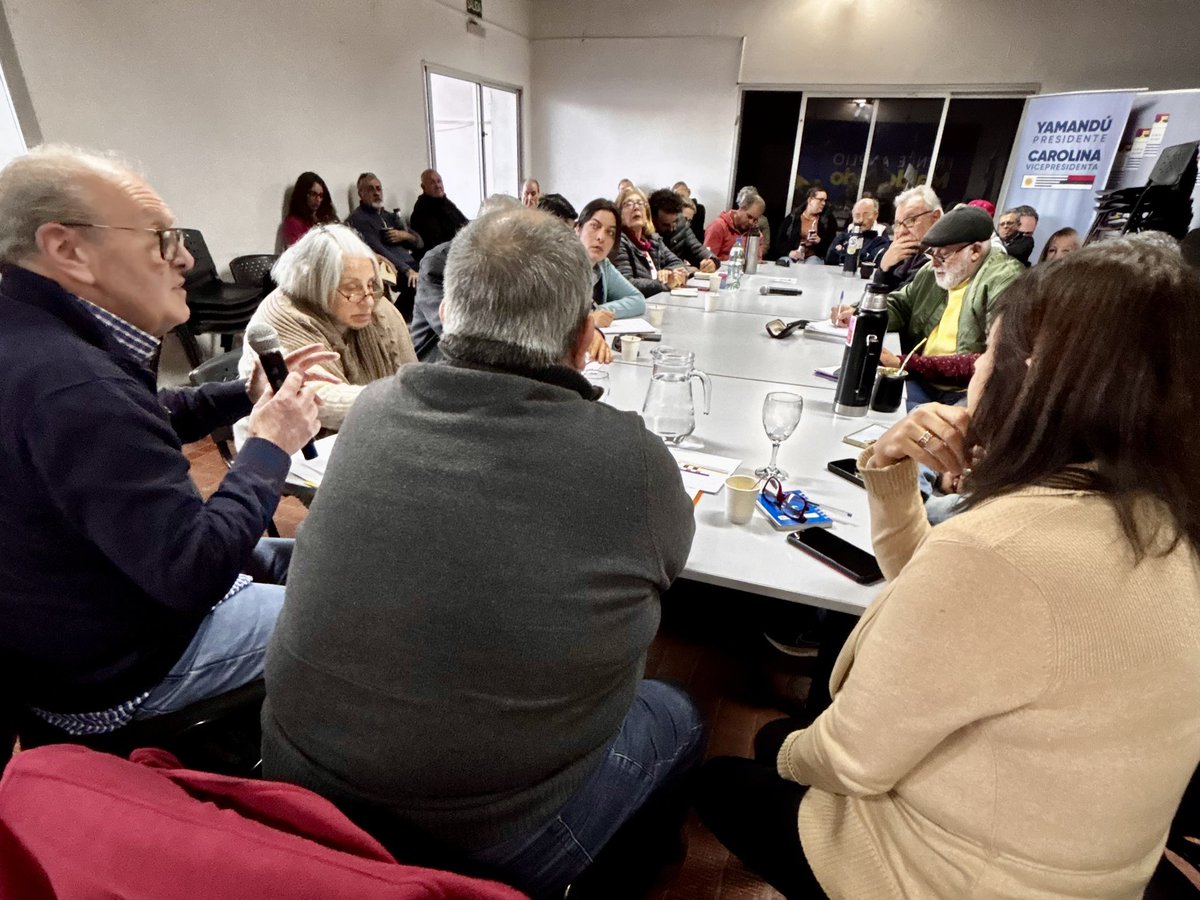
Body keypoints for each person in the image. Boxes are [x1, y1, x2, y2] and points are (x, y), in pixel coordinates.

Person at [696, 233, 1200, 900]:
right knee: (784, 743)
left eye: (990, 351)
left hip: (956, 877)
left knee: (729, 772)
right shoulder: (1161, 514)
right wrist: (890, 471)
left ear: (1035, 376)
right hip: (1089, 865)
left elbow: (852, 758)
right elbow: (942, 605)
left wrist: (794, 756)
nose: (979, 367)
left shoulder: (1008, 545)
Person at [261, 207, 705, 900]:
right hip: (478, 838)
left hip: (296, 789)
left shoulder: (372, 411)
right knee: (678, 708)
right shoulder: (632, 458)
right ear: (584, 340)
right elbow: (670, 572)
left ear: (447, 316)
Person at [0, 145, 335, 731]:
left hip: (109, 605)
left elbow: (137, 417)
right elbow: (195, 570)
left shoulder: (37, 339)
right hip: (124, 664)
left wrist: (245, 394)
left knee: (331, 559)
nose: (185, 258)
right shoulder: (72, 385)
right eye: (161, 239)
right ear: (68, 250)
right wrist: (270, 446)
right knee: (365, 617)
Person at [832, 206, 1024, 409]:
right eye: (931, 253)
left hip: (967, 393)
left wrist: (905, 363)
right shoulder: (932, 272)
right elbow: (900, 304)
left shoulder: (1006, 280)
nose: (933, 263)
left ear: (975, 251)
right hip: (921, 380)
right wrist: (860, 312)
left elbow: (996, 360)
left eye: (943, 255)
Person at [238, 224, 417, 434]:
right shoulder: (280, 318)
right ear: (316, 285)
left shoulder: (378, 307)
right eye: (352, 289)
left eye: (370, 284)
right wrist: (408, 402)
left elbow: (411, 374)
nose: (369, 301)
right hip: (287, 440)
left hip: (377, 425)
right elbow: (317, 401)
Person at [409, 194, 532, 364]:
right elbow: (460, 330)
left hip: (496, 354)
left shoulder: (518, 260)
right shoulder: (438, 263)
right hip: (441, 358)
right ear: (479, 230)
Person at [344, 172, 423, 320]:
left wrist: (405, 235)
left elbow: (419, 243)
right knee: (419, 284)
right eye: (370, 189)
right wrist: (407, 270)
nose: (376, 192)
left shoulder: (389, 216)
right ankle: (396, 319)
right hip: (392, 268)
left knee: (437, 278)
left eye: (378, 188)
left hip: (410, 262)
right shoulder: (359, 218)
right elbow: (378, 248)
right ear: (361, 194)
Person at [577, 197, 646, 324]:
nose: (601, 237)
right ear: (578, 229)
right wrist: (587, 318)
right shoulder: (559, 264)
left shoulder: (603, 266)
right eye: (595, 226)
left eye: (610, 232)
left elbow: (638, 300)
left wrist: (599, 311)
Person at [612, 185, 690, 297]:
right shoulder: (619, 242)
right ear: (619, 215)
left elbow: (677, 263)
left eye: (640, 203)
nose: (636, 207)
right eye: (628, 204)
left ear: (647, 213)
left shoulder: (653, 239)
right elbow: (626, 283)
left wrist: (668, 272)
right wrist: (663, 283)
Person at [875, 184, 942, 288]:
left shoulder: (940, 259)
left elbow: (901, 297)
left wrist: (884, 270)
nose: (901, 231)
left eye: (910, 220)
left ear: (935, 218)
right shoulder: (910, 254)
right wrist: (885, 267)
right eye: (898, 224)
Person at [648, 188, 717, 273]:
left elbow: (697, 249)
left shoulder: (681, 224)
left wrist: (711, 261)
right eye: (665, 225)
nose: (672, 228)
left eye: (674, 222)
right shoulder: (645, 234)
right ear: (653, 219)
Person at [409, 168, 468, 251]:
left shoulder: (445, 202)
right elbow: (437, 241)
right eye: (432, 183)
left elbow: (464, 222)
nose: (437, 186)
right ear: (423, 187)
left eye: (439, 181)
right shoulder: (422, 210)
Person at [825, 197, 891, 269]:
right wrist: (862, 255)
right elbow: (829, 259)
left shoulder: (881, 236)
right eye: (857, 215)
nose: (861, 220)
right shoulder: (848, 231)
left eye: (866, 215)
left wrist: (842, 252)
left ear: (875, 215)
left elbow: (872, 263)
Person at [703, 190, 766, 261]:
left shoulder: (756, 235)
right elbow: (707, 260)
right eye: (749, 217)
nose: (751, 222)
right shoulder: (718, 227)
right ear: (741, 208)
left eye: (755, 220)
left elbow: (757, 261)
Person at [778, 187, 836, 265]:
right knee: (784, 263)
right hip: (794, 255)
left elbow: (832, 246)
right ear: (810, 200)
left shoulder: (828, 220)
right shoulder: (793, 218)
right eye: (820, 200)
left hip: (814, 257)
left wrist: (819, 241)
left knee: (811, 265)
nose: (823, 203)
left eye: (825, 200)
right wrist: (790, 252)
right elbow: (780, 241)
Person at [282, 171, 339, 247]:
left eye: (321, 196)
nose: (318, 200)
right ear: (303, 193)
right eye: (313, 194)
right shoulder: (293, 222)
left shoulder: (325, 217)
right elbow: (296, 251)